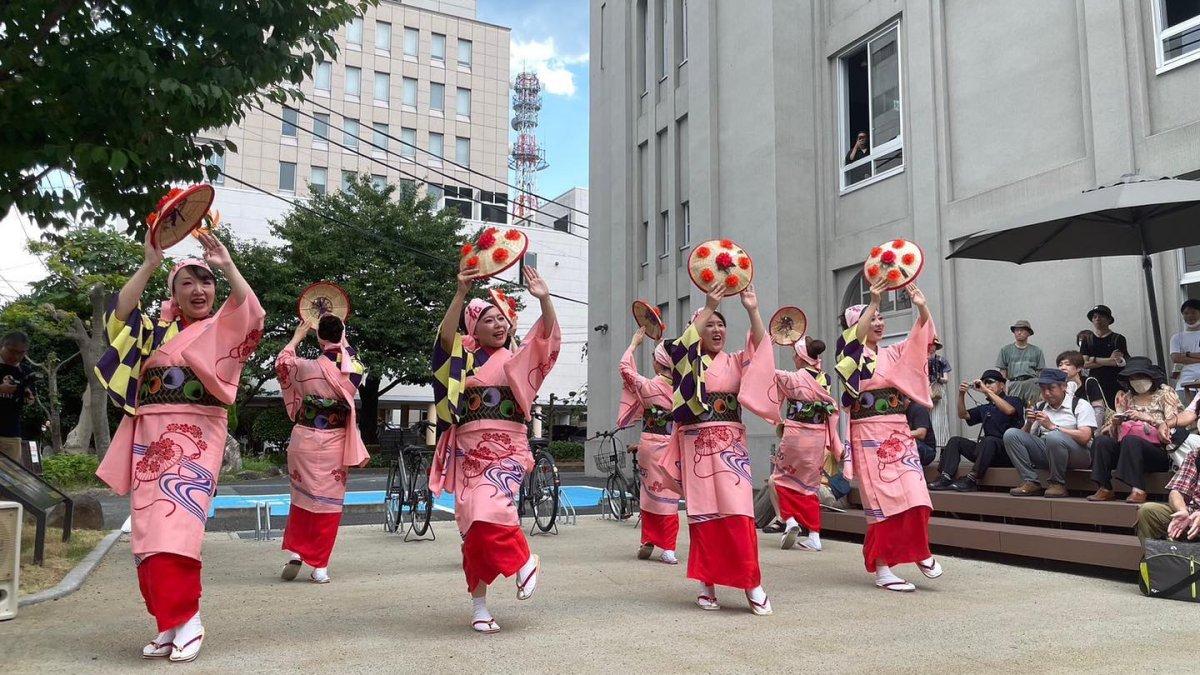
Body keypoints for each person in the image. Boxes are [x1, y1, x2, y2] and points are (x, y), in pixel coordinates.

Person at [94, 229, 264, 662]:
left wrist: (227, 265)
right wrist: (150, 262)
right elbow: (118, 317)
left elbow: (251, 316)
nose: (198, 289)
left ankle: (189, 619)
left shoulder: (218, 330)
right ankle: (168, 623)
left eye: (204, 281)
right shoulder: (155, 330)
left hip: (196, 435)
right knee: (146, 535)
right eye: (186, 282)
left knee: (176, 526)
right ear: (172, 292)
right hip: (149, 436)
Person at [429, 267, 560, 634]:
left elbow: (546, 340)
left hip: (507, 450)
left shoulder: (517, 359)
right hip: (469, 452)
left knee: (488, 508)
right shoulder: (462, 359)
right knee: (472, 524)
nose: (499, 324)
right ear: (474, 327)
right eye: (489, 319)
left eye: (502, 318)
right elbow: (442, 343)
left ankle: (523, 561)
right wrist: (459, 294)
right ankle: (479, 605)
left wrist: (544, 298)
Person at [659, 282, 775, 614]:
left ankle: (751, 583)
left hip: (731, 445)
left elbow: (760, 350)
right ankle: (707, 582)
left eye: (720, 323)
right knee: (704, 515)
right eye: (709, 323)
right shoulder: (686, 360)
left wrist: (752, 309)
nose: (716, 328)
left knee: (739, 513)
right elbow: (680, 347)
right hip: (696, 443)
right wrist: (709, 305)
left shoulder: (736, 361)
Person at [835, 278, 941, 592]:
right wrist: (875, 301)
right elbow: (850, 342)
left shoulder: (893, 353)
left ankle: (919, 551)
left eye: (881, 317)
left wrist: (922, 307)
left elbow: (922, 341)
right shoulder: (849, 355)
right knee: (884, 504)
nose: (879, 321)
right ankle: (883, 569)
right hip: (869, 434)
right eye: (873, 317)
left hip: (898, 431)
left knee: (918, 497)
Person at [275, 315, 370, 583]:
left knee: (302, 498)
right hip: (334, 440)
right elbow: (348, 352)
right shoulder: (354, 368)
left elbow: (281, 364)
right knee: (329, 504)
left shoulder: (304, 367)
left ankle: (296, 551)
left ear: (319, 337)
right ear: (342, 334)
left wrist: (297, 336)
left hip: (304, 440)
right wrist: (341, 336)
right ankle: (320, 566)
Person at [742, 336, 842, 552]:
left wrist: (767, 347)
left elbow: (765, 372)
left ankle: (789, 521)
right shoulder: (825, 379)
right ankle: (814, 535)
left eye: (795, 355)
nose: (794, 359)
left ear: (801, 356)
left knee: (779, 481)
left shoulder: (792, 378)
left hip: (796, 436)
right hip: (817, 439)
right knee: (809, 487)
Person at [616, 327, 682, 565]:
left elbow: (624, 368)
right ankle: (669, 548)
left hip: (649, 444)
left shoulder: (648, 387)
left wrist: (634, 344)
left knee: (649, 495)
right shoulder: (683, 389)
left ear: (657, 364)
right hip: (673, 446)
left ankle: (648, 540)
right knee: (669, 497)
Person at [1088, 358, 1182, 503]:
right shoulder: (1126, 398)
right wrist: (1114, 424)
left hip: (1158, 450)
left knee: (1131, 441)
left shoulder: (1165, 394)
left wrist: (1147, 418)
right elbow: (1111, 432)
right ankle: (1104, 487)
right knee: (1101, 441)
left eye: (1141, 376)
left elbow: (1175, 425)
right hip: (1126, 449)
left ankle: (1138, 490)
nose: (1137, 380)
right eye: (1133, 377)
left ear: (1151, 377)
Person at [1002, 369, 1097, 498]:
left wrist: (1053, 426)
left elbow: (1085, 437)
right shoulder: (1040, 406)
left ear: (1063, 386)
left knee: (1054, 436)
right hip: (1048, 451)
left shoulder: (1080, 404)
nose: (1046, 393)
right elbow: (1023, 437)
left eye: (1051, 388)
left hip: (1078, 454)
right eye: (1042, 389)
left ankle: (1057, 484)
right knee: (1011, 434)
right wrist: (1029, 423)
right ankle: (1030, 481)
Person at [928, 370, 1023, 492]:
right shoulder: (986, 407)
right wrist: (962, 394)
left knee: (990, 440)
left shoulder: (1014, 400)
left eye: (990, 382)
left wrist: (986, 390)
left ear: (1002, 385)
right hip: (986, 451)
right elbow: (963, 415)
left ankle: (972, 479)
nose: (986, 385)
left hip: (1005, 452)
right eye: (984, 383)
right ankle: (945, 477)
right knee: (955, 441)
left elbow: (1009, 410)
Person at [1135, 404, 1200, 542]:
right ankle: (1154, 561)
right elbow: (1176, 491)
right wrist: (1182, 510)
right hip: (1191, 514)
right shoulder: (1196, 455)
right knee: (1148, 511)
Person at [1077, 304, 1128, 408]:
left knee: (1115, 408)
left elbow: (1117, 362)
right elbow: (1084, 364)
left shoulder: (1118, 339)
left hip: (1114, 381)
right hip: (1094, 381)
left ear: (1108, 320)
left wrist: (1094, 359)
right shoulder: (1088, 340)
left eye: (1101, 316)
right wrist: (1108, 360)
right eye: (1095, 317)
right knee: (1097, 409)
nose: (1097, 319)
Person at [0, 331, 35, 464]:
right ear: (2, 345)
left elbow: (31, 399)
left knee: (11, 477)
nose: (16, 356)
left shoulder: (26, 372)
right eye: (12, 351)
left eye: (21, 353)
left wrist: (29, 398)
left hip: (11, 433)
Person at [996, 320, 1044, 406]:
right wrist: (1002, 390)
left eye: (1022, 330)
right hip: (1014, 383)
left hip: (1032, 384)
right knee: (1014, 410)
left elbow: (1041, 372)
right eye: (1016, 330)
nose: (1019, 332)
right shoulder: (1005, 350)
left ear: (1028, 333)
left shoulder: (1036, 351)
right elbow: (1002, 372)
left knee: (1032, 410)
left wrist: (1041, 390)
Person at [1169, 298, 1200, 399]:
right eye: (1186, 313)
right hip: (1184, 383)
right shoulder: (1176, 337)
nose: (1190, 316)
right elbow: (1176, 358)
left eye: (1193, 312)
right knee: (1185, 413)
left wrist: (1186, 354)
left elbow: (1180, 357)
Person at [906, 402, 937, 467]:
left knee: (906, 443)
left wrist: (900, 434)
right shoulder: (896, 413)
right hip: (915, 447)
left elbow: (921, 433)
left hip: (927, 450)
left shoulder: (918, 408)